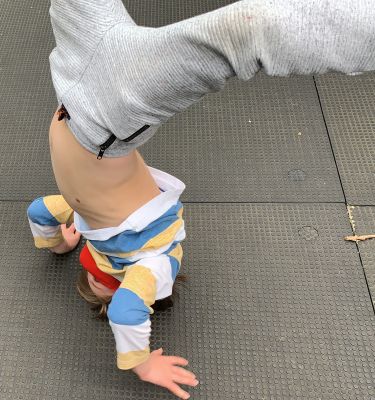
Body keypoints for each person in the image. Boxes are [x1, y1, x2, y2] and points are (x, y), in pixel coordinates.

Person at [28, 0, 375, 398]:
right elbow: (126, 310)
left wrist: (57, 245)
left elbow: (38, 211)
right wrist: (141, 363)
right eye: (102, 289)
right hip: (113, 109)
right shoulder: (153, 263)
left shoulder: (85, 220)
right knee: (248, 29)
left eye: (90, 282)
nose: (94, 283)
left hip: (70, 81)